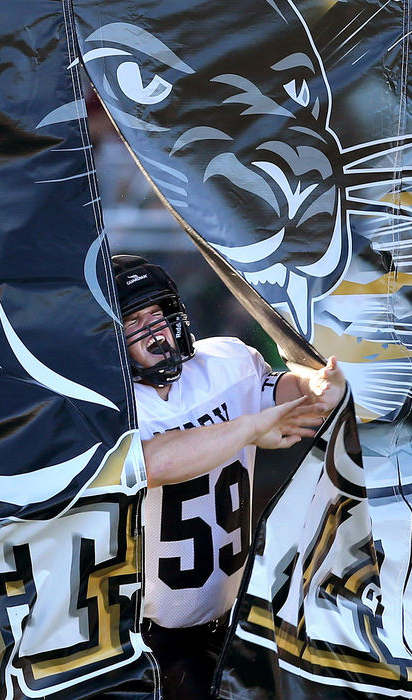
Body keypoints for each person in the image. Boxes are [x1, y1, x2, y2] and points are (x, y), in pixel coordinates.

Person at [112, 254, 346, 699]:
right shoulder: (102, 405)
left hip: (236, 616)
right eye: (133, 320)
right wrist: (250, 428)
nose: (154, 329)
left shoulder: (225, 363)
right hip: (145, 639)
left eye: (157, 313)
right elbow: (152, 463)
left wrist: (316, 387)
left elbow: (283, 392)